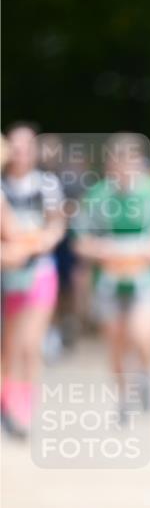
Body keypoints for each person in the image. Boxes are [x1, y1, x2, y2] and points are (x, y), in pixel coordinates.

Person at [72, 133, 150, 417]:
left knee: (144, 335)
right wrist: (102, 251)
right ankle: (123, 397)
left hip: (146, 278)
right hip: (109, 280)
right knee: (116, 341)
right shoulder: (97, 196)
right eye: (117, 163)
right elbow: (80, 240)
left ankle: (145, 375)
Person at [1, 124, 65, 437]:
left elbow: (56, 227)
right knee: (8, 347)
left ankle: (24, 411)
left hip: (38, 271)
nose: (20, 152)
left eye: (27, 146)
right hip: (6, 274)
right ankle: (8, 406)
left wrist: (37, 244)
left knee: (29, 344)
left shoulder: (47, 185)